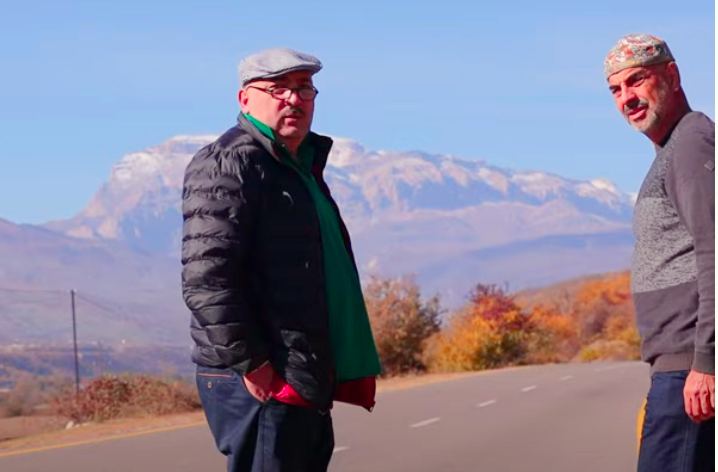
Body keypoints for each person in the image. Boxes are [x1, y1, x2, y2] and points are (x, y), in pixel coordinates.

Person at [181, 47, 381, 472]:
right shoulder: (231, 162)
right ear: (244, 99)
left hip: (299, 366)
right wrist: (254, 364)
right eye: (278, 88)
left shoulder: (296, 166)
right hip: (261, 372)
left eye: (304, 88)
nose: (294, 99)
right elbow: (207, 279)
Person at [604, 33, 715, 471]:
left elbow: (714, 249)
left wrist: (706, 361)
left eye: (637, 81)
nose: (626, 98)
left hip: (690, 367)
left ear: (672, 75)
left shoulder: (690, 144)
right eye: (616, 89)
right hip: (679, 366)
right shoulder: (673, 150)